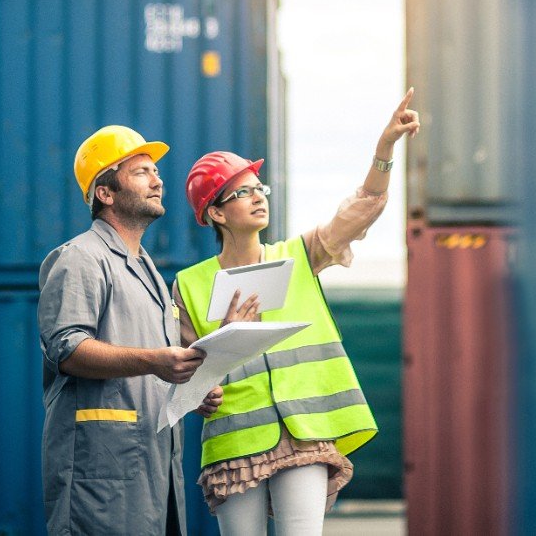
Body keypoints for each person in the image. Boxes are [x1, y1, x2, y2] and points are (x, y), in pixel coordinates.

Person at [173, 90, 421, 535]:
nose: (257, 197)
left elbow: (362, 209)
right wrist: (213, 370)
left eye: (258, 188)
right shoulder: (188, 285)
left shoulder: (300, 255)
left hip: (304, 432)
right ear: (215, 212)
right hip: (235, 443)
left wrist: (383, 150)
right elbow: (185, 378)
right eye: (242, 192)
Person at [38, 125, 225, 535]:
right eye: (141, 171)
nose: (158, 179)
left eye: (156, 171)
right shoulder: (80, 258)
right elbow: (67, 350)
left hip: (152, 470)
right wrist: (156, 362)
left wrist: (190, 393)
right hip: (101, 471)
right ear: (105, 193)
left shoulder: (150, 273)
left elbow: (152, 370)